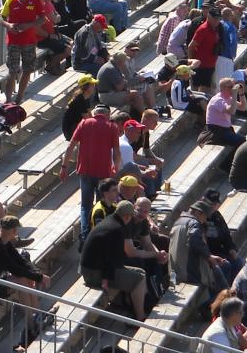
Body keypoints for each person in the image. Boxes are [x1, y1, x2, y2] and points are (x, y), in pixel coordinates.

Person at [78, 200, 152, 320]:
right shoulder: (117, 229)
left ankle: (132, 306)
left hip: (89, 268)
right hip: (94, 273)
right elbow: (110, 257)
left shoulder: (111, 221)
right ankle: (140, 317)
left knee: (140, 272)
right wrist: (105, 280)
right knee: (139, 279)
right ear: (127, 216)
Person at [60, 104, 122, 240]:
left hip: (85, 171)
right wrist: (115, 169)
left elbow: (71, 146)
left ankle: (84, 235)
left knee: (85, 206)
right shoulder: (112, 127)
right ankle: (99, 235)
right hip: (104, 172)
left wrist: (64, 167)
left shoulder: (84, 124)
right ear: (108, 115)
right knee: (102, 205)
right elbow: (117, 152)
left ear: (94, 114)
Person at [0, 214, 50, 307]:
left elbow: (21, 261)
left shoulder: (3, 242)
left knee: (27, 278)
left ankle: (37, 315)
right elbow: (14, 269)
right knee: (22, 280)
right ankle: (31, 320)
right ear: (14, 230)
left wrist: (38, 274)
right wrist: (39, 277)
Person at [2, 0, 49, 104]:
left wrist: (29, 25)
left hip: (29, 41)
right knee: (13, 71)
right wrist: (9, 26)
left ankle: (19, 98)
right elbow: (2, 18)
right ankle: (8, 101)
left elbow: (42, 18)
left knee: (27, 69)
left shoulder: (35, 0)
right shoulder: (10, 0)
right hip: (13, 41)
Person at [169, 199, 230, 294]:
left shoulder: (178, 222)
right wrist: (209, 257)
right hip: (190, 273)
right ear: (198, 212)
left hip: (175, 272)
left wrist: (211, 256)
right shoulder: (194, 223)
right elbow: (195, 241)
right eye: (205, 216)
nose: (205, 220)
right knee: (222, 269)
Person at [203, 77, 244, 148]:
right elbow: (232, 111)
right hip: (216, 132)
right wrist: (234, 95)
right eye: (231, 87)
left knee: (245, 140)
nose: (233, 89)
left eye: (233, 86)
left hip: (225, 130)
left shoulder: (228, 98)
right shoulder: (218, 100)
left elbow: (243, 107)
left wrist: (241, 94)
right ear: (222, 88)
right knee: (244, 142)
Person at [61, 74, 98, 141]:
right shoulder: (79, 100)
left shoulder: (85, 97)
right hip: (70, 132)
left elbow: (90, 115)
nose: (94, 86)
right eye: (92, 84)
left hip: (76, 127)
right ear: (86, 87)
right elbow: (87, 119)